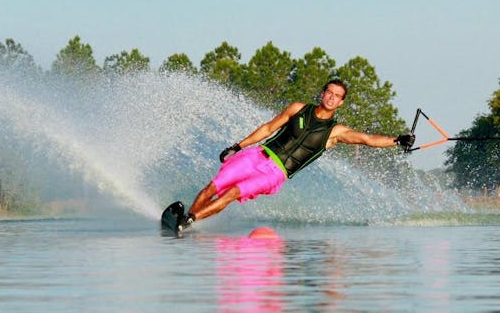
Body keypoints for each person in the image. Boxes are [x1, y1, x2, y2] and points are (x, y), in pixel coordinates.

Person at [175, 79, 415, 232]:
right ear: (322, 93)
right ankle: (186, 220)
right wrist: (238, 146)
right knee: (212, 187)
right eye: (328, 92)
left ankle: (188, 221)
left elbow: (368, 139)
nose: (331, 97)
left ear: (341, 103)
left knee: (232, 194)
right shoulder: (298, 108)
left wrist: (397, 140)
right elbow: (268, 128)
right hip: (258, 155)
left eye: (337, 96)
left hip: (276, 172)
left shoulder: (335, 132)